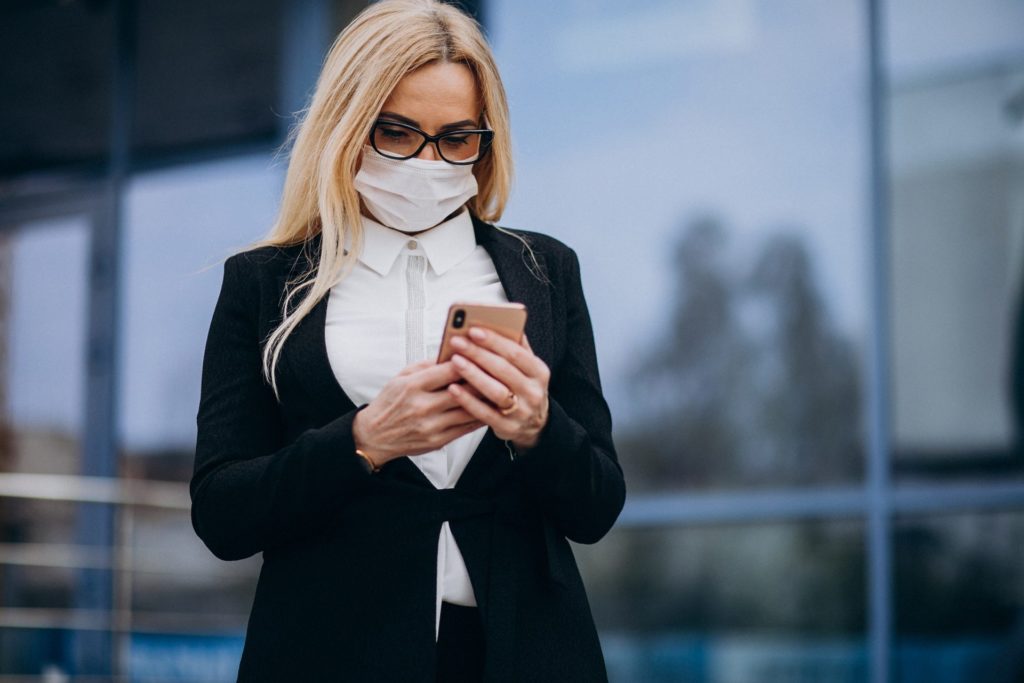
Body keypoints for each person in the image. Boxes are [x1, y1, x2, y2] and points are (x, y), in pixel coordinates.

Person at [190, 1, 625, 680]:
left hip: (525, 651)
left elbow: (597, 504)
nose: (428, 160)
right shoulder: (262, 282)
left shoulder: (544, 271)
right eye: (398, 132)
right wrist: (364, 440)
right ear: (349, 124)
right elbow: (221, 513)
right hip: (330, 652)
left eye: (457, 138)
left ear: (487, 140)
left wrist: (540, 428)